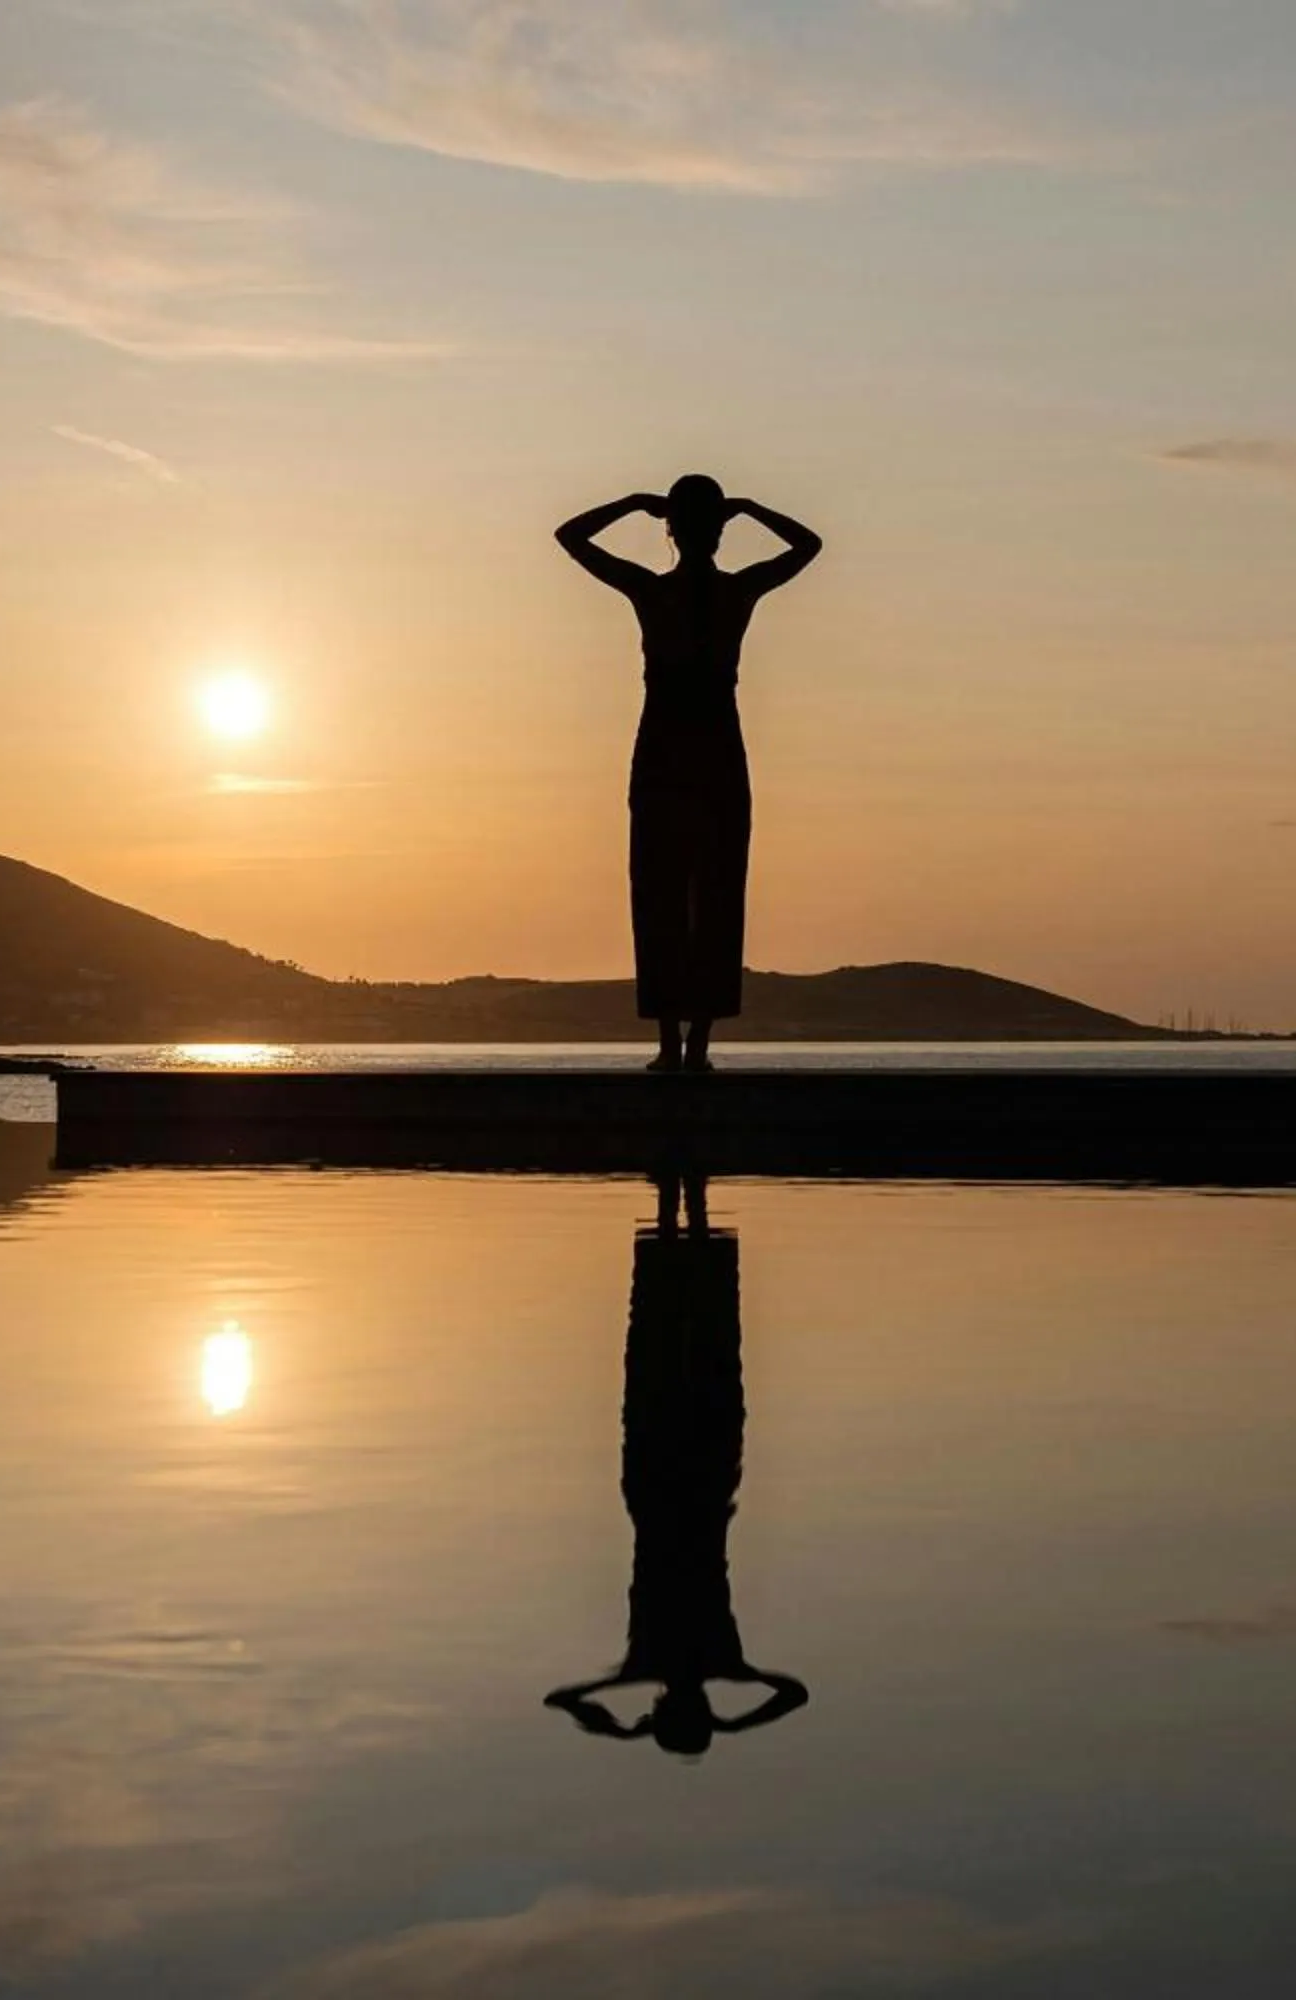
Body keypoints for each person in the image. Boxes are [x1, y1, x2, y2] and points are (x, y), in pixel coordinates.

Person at [556, 477, 823, 1072]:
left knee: (664, 888)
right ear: (720, 530)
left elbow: (571, 536)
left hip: (671, 743)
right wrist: (751, 508)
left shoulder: (657, 591)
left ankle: (675, 1045)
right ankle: (691, 1045)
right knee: (712, 888)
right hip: (709, 744)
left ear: (671, 530)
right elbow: (808, 545)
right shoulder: (733, 590)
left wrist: (634, 505)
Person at [544, 1174, 809, 1757]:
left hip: (687, 1487)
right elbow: (566, 1702)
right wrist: (627, 1722)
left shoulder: (701, 1662)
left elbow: (792, 1695)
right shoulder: (678, 1662)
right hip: (676, 1488)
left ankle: (675, 1207)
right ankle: (682, 1207)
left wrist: (725, 1714)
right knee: (678, 1361)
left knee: (673, 1360)